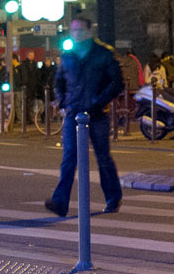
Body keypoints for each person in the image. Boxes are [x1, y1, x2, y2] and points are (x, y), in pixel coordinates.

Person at [43, 15, 126, 216]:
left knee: (103, 157)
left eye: (80, 30)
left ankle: (113, 198)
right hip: (74, 113)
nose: (76, 34)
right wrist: (63, 101)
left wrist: (99, 101)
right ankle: (60, 202)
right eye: (73, 30)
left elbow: (117, 82)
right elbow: (59, 81)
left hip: (96, 113)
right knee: (69, 157)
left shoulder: (103, 54)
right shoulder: (68, 55)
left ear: (89, 31)